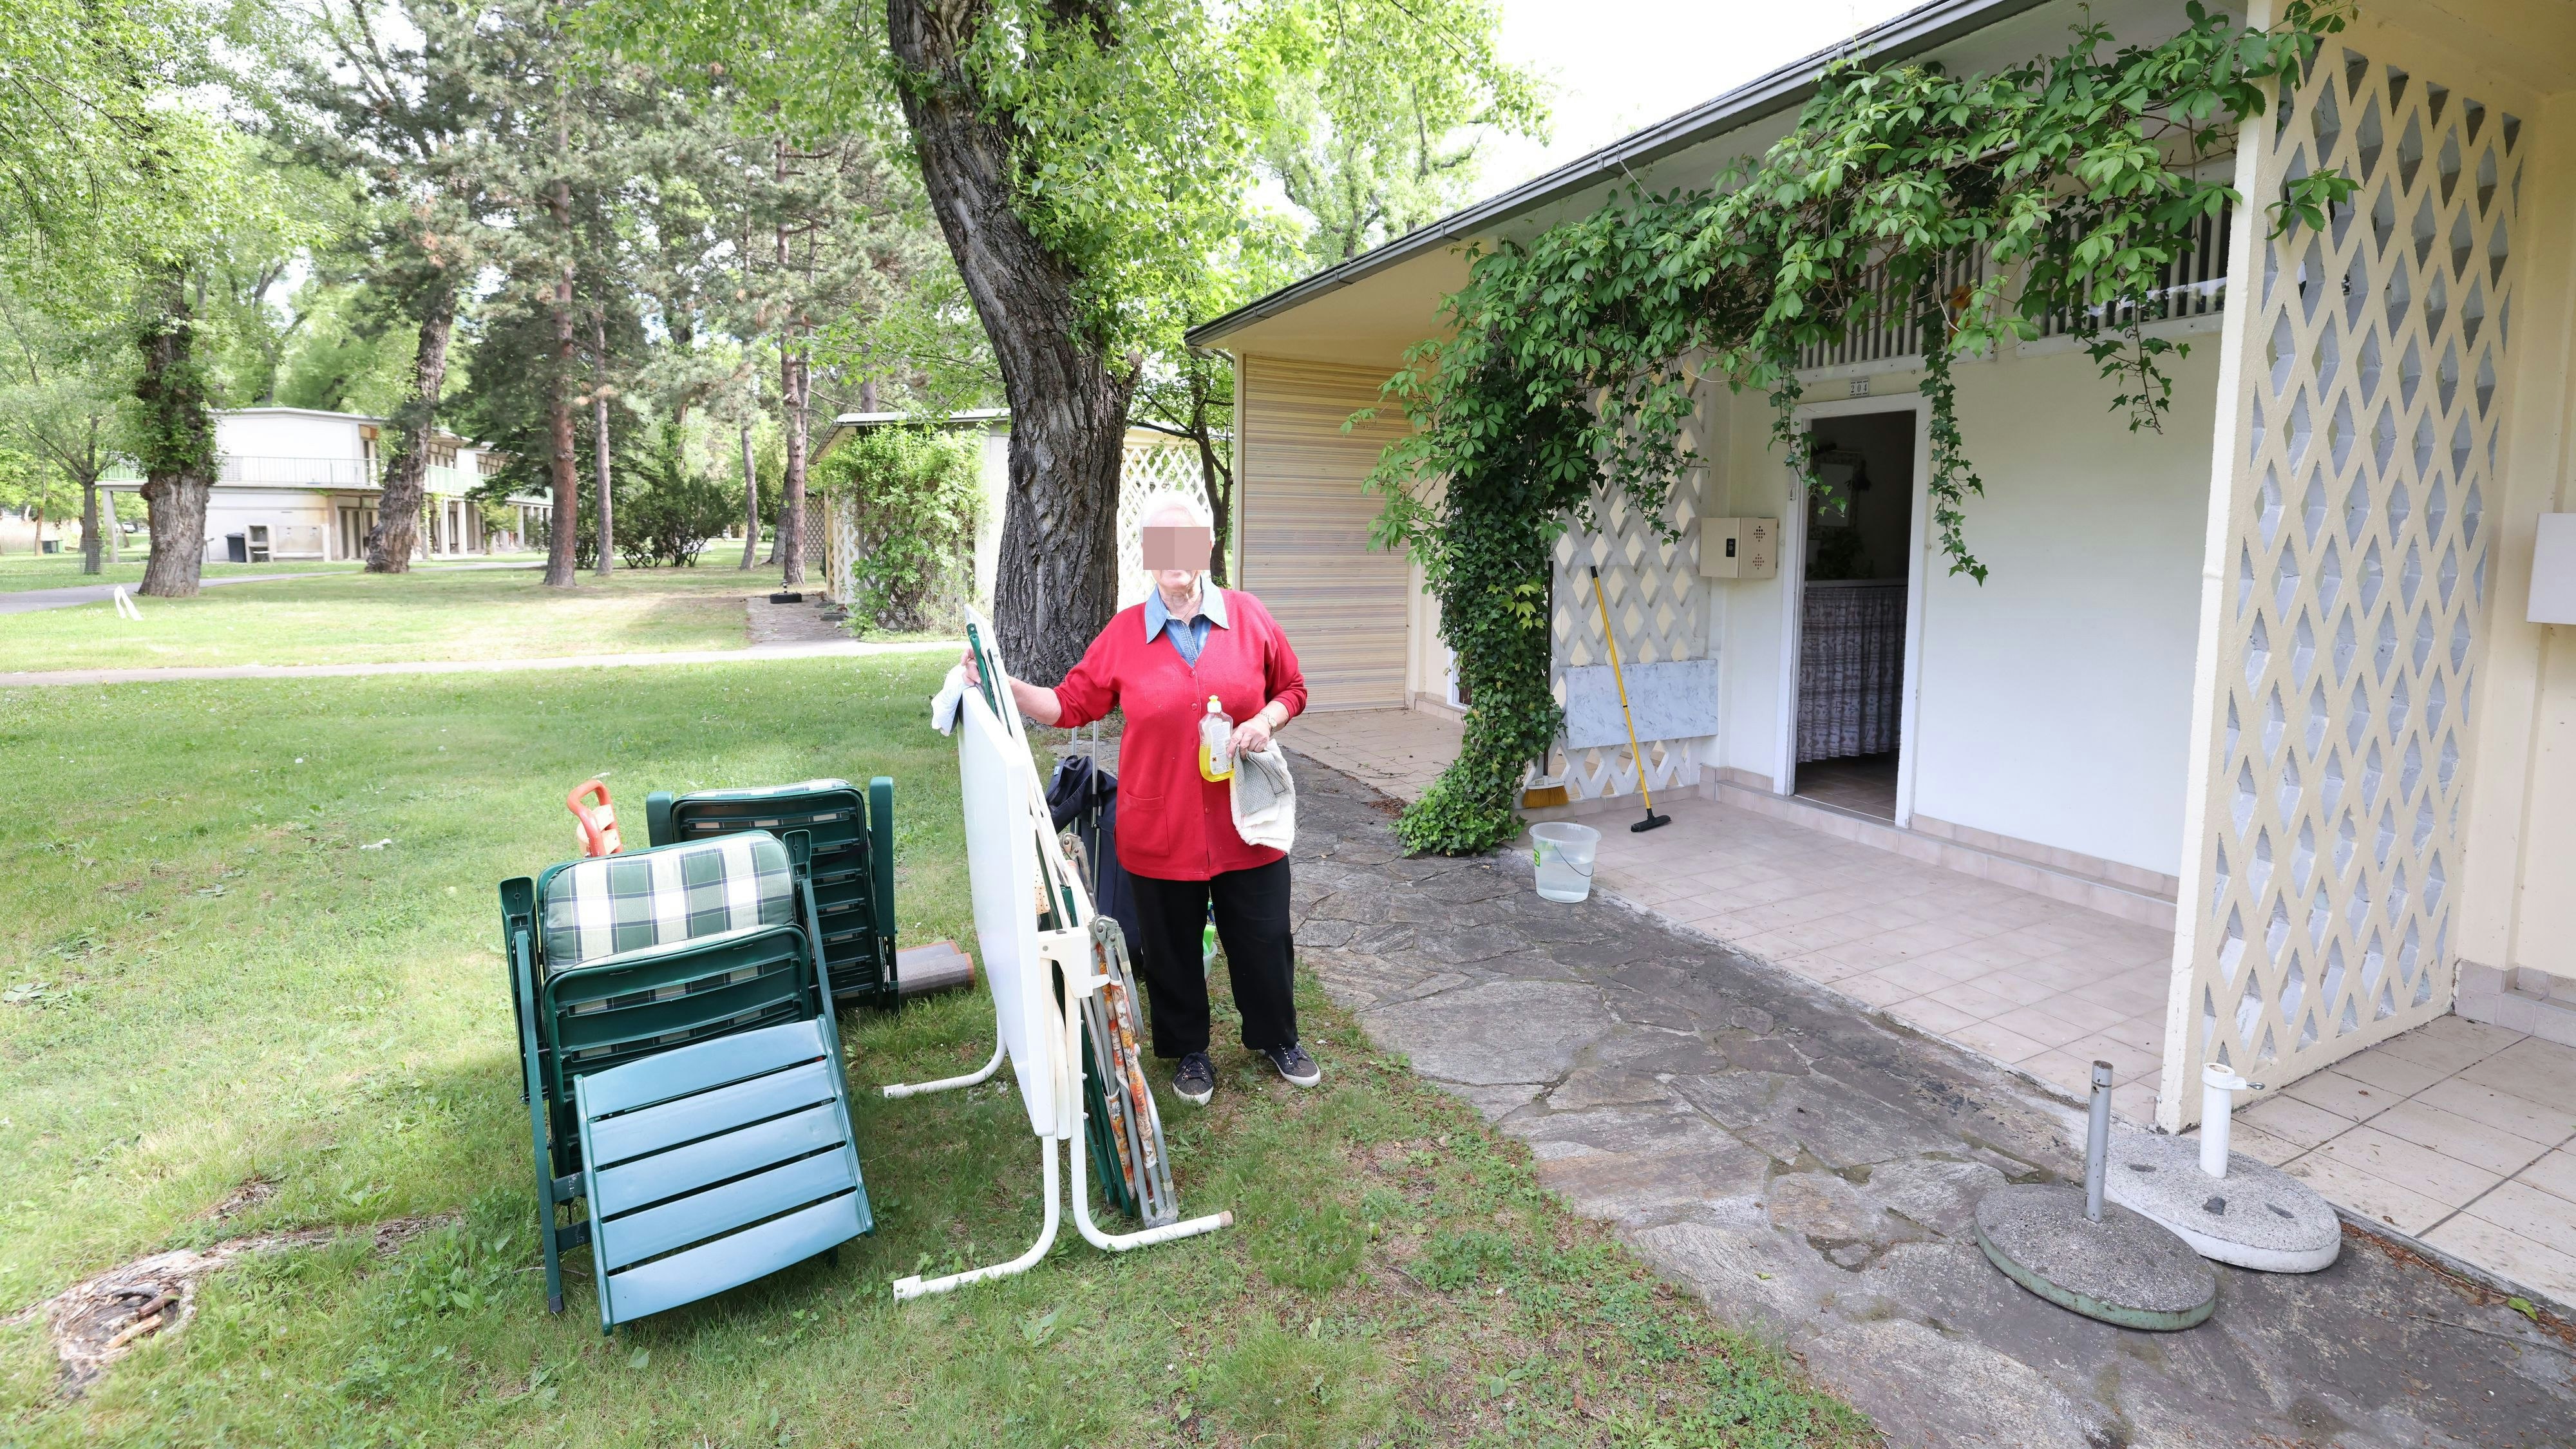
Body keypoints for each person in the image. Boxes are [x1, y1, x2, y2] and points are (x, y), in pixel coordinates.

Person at [964, 495, 1315, 1104]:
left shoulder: (1250, 616)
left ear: (1205, 550)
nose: (1176, 557)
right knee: (1171, 948)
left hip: (1245, 823)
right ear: (1151, 558)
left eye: (1187, 541)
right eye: (1163, 543)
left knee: (1263, 937)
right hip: (1161, 827)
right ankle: (1190, 1053)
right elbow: (1070, 704)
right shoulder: (1125, 634)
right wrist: (1006, 684)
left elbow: (1293, 687)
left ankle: (1277, 1037)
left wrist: (1265, 719)